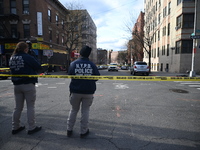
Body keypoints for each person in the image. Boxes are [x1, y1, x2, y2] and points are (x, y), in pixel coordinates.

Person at [9, 41, 42, 135]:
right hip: (27, 84)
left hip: (17, 85)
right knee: (30, 106)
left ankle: (15, 127)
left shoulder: (12, 57)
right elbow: (38, 66)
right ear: (25, 49)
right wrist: (33, 56)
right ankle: (31, 127)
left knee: (17, 107)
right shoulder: (27, 57)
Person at [67, 45, 100, 138]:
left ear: (80, 53)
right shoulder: (92, 65)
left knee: (73, 110)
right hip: (88, 91)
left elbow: (70, 75)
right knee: (85, 111)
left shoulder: (73, 64)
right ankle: (83, 131)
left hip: (75, 90)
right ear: (88, 55)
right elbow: (97, 77)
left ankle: (69, 129)